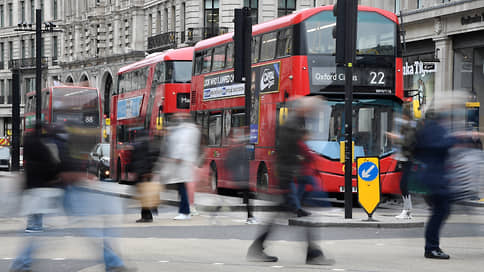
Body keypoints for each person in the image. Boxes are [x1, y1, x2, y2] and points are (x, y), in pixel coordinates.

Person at [246, 96, 334, 265]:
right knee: (302, 216)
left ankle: (259, 248)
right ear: (303, 109)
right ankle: (313, 254)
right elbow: (289, 155)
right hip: (290, 180)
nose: (315, 111)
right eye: (313, 108)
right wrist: (288, 183)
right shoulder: (293, 125)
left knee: (291, 216)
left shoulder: (297, 122)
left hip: (291, 179)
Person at [10, 124, 63, 272]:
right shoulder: (43, 147)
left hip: (31, 190)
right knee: (36, 230)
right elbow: (51, 166)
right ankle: (22, 263)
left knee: (33, 226)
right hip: (41, 191)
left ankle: (22, 263)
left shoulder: (29, 146)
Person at [414, 104, 457, 260]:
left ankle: (431, 247)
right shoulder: (433, 129)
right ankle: (431, 248)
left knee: (441, 211)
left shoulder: (428, 129)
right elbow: (440, 144)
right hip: (434, 178)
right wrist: (455, 138)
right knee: (440, 211)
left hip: (433, 177)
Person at [159, 112, 201, 220]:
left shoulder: (186, 130)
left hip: (182, 163)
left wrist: (176, 157)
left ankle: (185, 211)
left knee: (182, 187)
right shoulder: (190, 129)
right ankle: (185, 210)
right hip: (185, 162)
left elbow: (182, 145)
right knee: (182, 187)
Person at [224, 128, 257, 224]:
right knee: (248, 198)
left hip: (239, 178)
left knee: (246, 198)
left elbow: (228, 165)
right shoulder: (241, 150)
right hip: (242, 178)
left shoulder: (233, 151)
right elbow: (245, 165)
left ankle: (250, 217)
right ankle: (250, 217)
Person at [130, 129, 160, 223]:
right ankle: (150, 213)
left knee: (143, 195)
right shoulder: (151, 144)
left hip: (142, 172)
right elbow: (155, 157)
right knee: (148, 193)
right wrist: (152, 170)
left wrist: (134, 172)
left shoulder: (137, 145)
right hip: (148, 172)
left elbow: (134, 159)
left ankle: (146, 216)